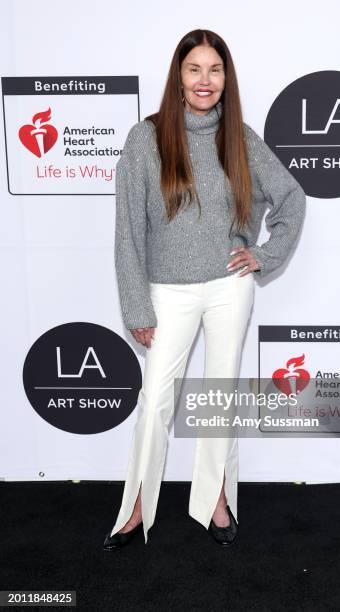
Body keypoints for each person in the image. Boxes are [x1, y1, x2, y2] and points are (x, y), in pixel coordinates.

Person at [103, 28, 306, 550]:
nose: (205, 80)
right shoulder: (144, 139)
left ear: (225, 78)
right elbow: (129, 230)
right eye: (195, 69)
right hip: (166, 292)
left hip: (228, 288)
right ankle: (135, 509)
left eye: (215, 70)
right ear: (178, 76)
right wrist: (135, 304)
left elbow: (290, 197)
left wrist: (263, 255)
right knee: (154, 404)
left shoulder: (238, 136)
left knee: (219, 397)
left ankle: (216, 498)